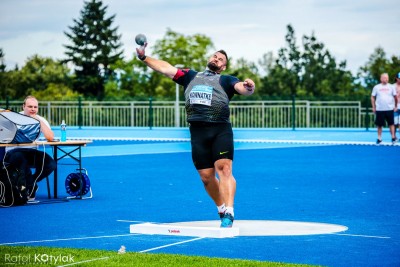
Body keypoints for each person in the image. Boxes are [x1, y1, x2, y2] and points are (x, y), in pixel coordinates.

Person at [136, 44, 255, 228]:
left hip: (219, 130)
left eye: (220, 59)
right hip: (197, 132)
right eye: (215, 56)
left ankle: (230, 213)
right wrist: (144, 57)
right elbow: (166, 68)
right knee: (206, 177)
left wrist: (249, 87)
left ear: (223, 67)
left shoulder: (226, 80)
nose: (216, 59)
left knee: (224, 169)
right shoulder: (191, 76)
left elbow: (242, 88)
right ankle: (221, 208)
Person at [5, 96, 56, 201]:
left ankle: (31, 184)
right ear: (23, 107)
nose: (33, 109)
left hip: (31, 152)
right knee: (20, 159)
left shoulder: (41, 119)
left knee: (51, 164)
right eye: (30, 106)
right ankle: (24, 190)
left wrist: (38, 121)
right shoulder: (14, 119)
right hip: (14, 152)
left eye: (35, 107)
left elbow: (50, 137)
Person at [371, 73, 398, 145]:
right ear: (381, 79)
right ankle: (379, 138)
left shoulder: (391, 87)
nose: (385, 79)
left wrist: (395, 106)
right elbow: (373, 97)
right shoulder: (376, 87)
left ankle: (393, 138)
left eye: (387, 78)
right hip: (379, 109)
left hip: (389, 108)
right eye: (384, 78)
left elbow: (395, 97)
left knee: (391, 124)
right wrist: (374, 107)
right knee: (379, 125)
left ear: (388, 79)